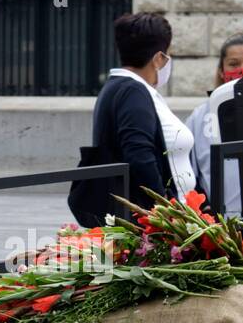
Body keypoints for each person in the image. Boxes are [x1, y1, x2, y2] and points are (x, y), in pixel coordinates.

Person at [70, 13, 196, 226]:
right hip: (155, 223)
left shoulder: (123, 87)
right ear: (158, 59)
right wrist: (165, 213)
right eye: (167, 55)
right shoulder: (132, 92)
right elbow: (139, 155)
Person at [186, 33, 243, 217]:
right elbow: (188, 172)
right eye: (234, 64)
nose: (242, 70)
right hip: (222, 225)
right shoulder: (199, 117)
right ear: (221, 70)